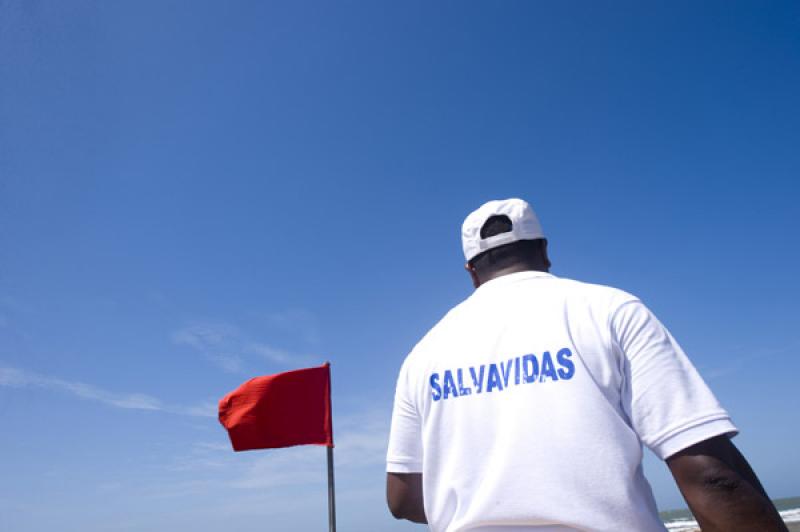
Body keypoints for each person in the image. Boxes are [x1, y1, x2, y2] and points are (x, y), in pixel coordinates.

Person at [386, 198, 786, 532]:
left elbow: (402, 498)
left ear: (471, 272)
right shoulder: (610, 311)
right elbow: (710, 474)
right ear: (543, 250)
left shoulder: (422, 355)